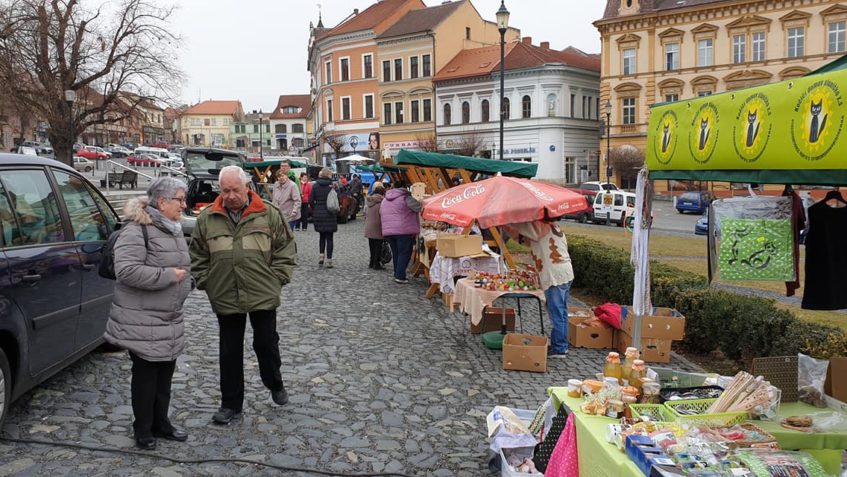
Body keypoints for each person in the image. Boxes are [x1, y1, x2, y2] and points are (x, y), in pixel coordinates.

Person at [189, 166, 296, 425]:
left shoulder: (268, 213)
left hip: (262, 291)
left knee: (266, 343)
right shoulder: (208, 218)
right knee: (229, 351)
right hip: (225, 291)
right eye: (225, 190)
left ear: (246, 187)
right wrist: (207, 281)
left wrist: (277, 278)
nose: (230, 195)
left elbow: (285, 247)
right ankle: (230, 404)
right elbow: (198, 254)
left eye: (235, 190)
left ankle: (275, 382)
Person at [104, 177, 192, 450]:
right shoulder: (137, 230)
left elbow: (180, 265)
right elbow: (127, 271)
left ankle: (160, 423)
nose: (184, 204)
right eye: (180, 199)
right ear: (163, 202)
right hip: (141, 318)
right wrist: (168, 276)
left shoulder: (171, 228)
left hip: (168, 316)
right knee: (146, 376)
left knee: (165, 373)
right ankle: (142, 428)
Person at [503, 219, 574, 358]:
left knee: (557, 313)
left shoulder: (540, 226)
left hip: (555, 275)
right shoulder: (551, 225)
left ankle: (559, 348)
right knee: (561, 312)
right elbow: (527, 240)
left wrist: (505, 222)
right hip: (564, 272)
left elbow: (525, 229)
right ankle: (561, 344)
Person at [381, 181, 421, 284]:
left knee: (396, 253)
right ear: (404, 188)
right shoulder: (405, 198)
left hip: (389, 231)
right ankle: (400, 276)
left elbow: (381, 212)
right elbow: (419, 207)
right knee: (404, 253)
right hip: (403, 230)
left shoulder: (385, 199)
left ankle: (397, 273)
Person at [309, 167, 338, 268]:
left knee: (322, 236)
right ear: (329, 175)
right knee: (330, 238)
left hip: (319, 213)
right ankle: (329, 260)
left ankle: (321, 256)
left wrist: (316, 208)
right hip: (330, 213)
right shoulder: (333, 186)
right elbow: (337, 199)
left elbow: (311, 200)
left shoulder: (315, 186)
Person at [365, 182, 386, 270]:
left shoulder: (369, 200)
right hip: (378, 225)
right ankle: (376, 263)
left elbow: (364, 212)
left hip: (369, 225)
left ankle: (371, 262)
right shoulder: (382, 202)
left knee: (372, 244)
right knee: (378, 245)